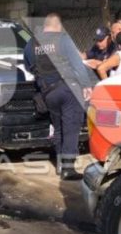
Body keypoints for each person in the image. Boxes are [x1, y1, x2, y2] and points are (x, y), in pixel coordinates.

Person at [24, 13, 94, 180]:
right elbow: (77, 64)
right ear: (58, 26)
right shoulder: (62, 39)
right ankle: (68, 168)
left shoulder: (31, 44)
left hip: (48, 93)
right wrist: (86, 85)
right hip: (69, 89)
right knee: (71, 127)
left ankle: (60, 164)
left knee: (58, 128)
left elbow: (28, 66)